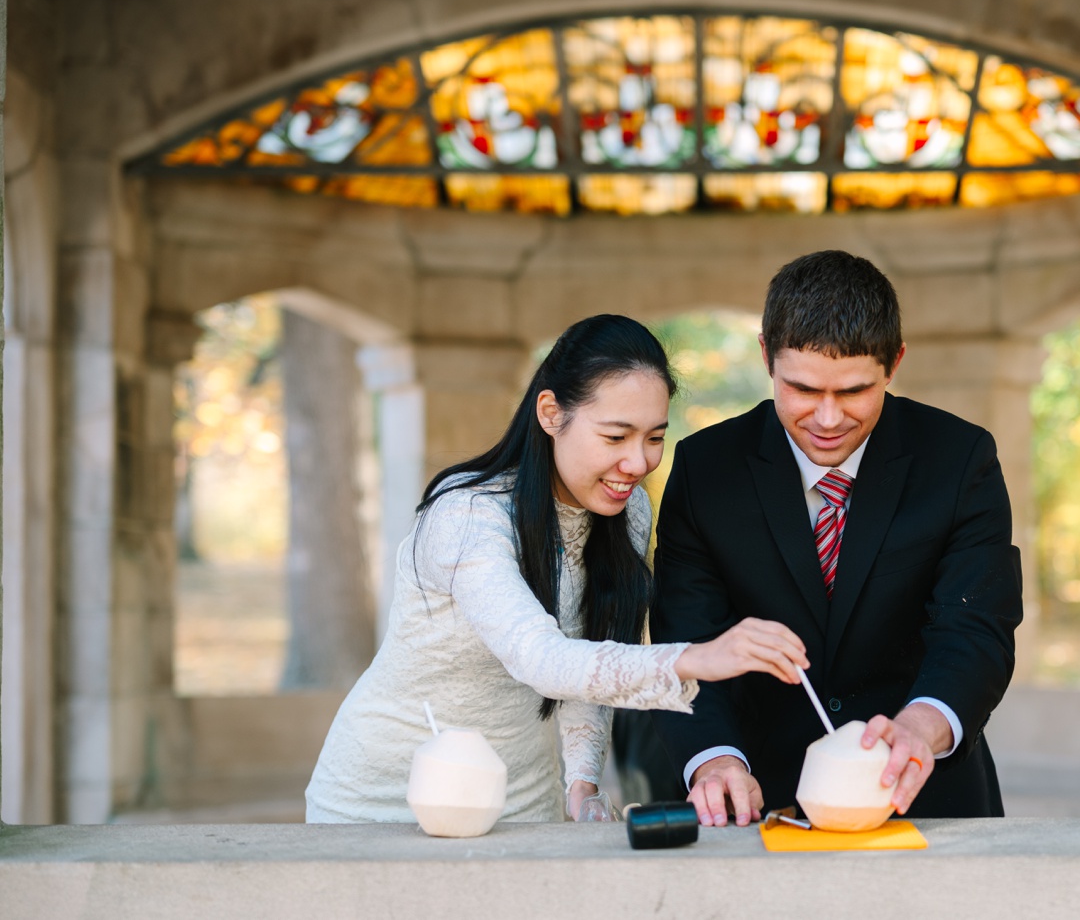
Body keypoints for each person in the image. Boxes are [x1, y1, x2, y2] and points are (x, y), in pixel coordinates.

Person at [305, 314, 808, 824]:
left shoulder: (629, 511)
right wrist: (698, 657)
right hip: (384, 796)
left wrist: (582, 782)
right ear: (550, 413)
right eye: (616, 437)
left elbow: (593, 653)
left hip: (522, 800)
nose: (638, 463)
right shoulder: (467, 516)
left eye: (654, 437)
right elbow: (541, 658)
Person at [649, 251, 1022, 824]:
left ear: (894, 363)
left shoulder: (960, 459)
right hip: (756, 798)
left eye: (853, 392)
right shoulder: (705, 470)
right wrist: (714, 760)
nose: (827, 419)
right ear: (766, 356)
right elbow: (687, 636)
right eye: (802, 389)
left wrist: (921, 726)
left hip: (926, 797)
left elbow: (976, 626)